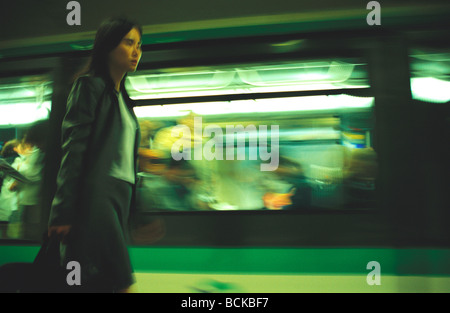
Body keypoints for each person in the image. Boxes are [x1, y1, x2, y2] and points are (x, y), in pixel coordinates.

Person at [48, 17, 142, 293]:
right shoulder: (89, 87)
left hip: (119, 200)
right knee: (123, 282)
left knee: (101, 283)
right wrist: (62, 213)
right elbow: (73, 151)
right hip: (98, 198)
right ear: (108, 46)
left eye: (139, 44)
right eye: (128, 43)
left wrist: (138, 214)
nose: (136, 51)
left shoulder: (123, 100)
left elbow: (127, 164)